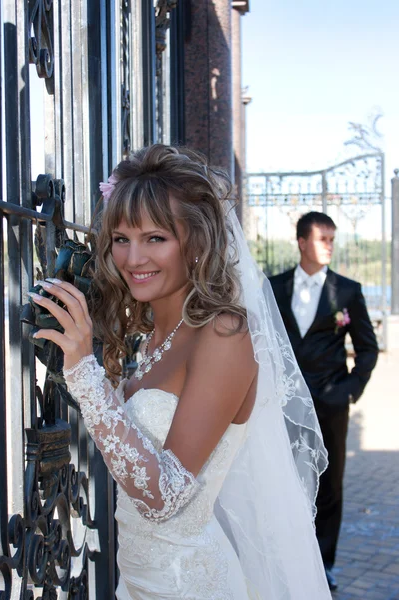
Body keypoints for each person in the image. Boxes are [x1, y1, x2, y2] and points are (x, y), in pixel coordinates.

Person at [29, 145, 332, 599]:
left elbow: (163, 496)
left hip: (189, 585)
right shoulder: (152, 338)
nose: (133, 259)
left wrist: (83, 371)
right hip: (139, 580)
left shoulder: (225, 334)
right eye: (121, 239)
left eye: (155, 238)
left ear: (194, 242)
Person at [269, 211, 379, 591]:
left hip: (331, 402)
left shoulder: (347, 292)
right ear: (302, 242)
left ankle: (323, 561)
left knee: (329, 483)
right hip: (282, 406)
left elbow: (367, 348)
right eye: (323, 239)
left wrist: (347, 391)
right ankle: (286, 556)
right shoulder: (273, 287)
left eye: (333, 240)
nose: (330, 246)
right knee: (283, 478)